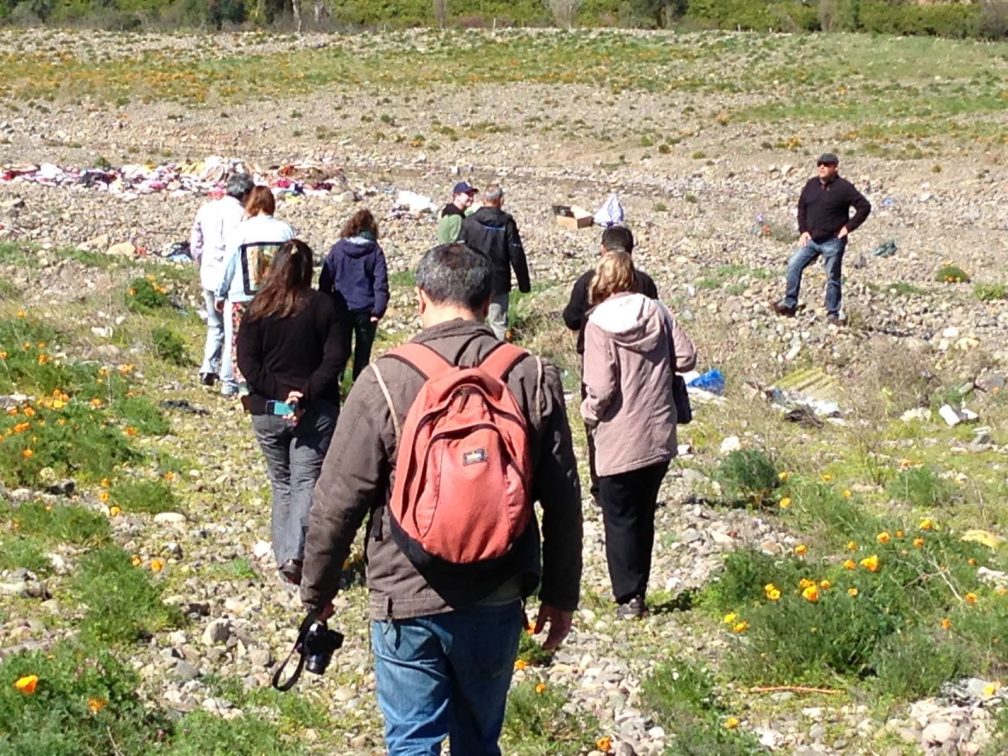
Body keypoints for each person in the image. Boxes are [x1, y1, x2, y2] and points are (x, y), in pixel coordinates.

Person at [300, 243, 582, 755]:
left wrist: (317, 593)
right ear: (489, 297)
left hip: (404, 592)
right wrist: (561, 598)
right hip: (496, 589)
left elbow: (336, 502)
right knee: (478, 740)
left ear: (421, 297)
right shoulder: (531, 374)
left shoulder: (385, 379)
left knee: (412, 742)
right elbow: (563, 502)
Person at [581, 251, 696, 620]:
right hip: (657, 429)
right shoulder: (656, 310)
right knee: (644, 514)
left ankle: (628, 596)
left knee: (618, 517)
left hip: (618, 433)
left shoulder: (597, 323)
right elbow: (687, 358)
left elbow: (601, 387)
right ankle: (640, 591)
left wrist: (588, 413)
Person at [237, 239, 347, 586]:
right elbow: (336, 359)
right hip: (315, 409)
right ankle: (294, 556)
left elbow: (247, 363)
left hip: (268, 409)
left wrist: (282, 395)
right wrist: (304, 394)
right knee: (305, 482)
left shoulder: (258, 308)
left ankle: (285, 557)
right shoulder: (325, 307)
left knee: (281, 483)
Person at [562, 225, 659, 504]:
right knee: (639, 415)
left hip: (596, 360)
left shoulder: (587, 282)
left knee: (597, 421)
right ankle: (638, 478)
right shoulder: (644, 282)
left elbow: (570, 319)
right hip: (642, 363)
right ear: (631, 250)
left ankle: (601, 486)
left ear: (603, 249)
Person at [771, 152, 871, 325]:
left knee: (832, 276)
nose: (822, 167)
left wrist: (847, 228)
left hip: (833, 241)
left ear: (835, 167)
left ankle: (833, 313)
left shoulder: (844, 187)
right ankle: (789, 303)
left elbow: (864, 207)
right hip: (812, 240)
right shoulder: (811, 184)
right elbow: (802, 206)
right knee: (794, 264)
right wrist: (803, 230)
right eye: (819, 164)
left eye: (826, 164)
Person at [216, 185, 295, 396]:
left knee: (238, 340)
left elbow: (229, 264)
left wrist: (220, 293)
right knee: (272, 339)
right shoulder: (285, 231)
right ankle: (269, 381)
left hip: (242, 295)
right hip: (275, 295)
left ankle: (240, 383)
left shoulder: (241, 231)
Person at [189, 172, 254, 388]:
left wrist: (202, 262)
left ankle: (208, 367)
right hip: (231, 281)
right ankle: (228, 381)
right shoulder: (243, 216)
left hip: (208, 274)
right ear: (245, 194)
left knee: (214, 326)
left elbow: (195, 244)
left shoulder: (207, 209)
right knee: (232, 331)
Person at [319, 209, 390, 381]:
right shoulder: (375, 251)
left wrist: (323, 303)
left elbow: (325, 279)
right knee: (363, 353)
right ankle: (359, 388)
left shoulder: (338, 248)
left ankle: (336, 384)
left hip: (340, 307)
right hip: (366, 309)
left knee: (340, 349)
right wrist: (378, 310)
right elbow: (380, 283)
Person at [460, 184, 530, 340]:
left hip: (473, 279)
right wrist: (524, 284)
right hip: (498, 281)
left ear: (484, 200)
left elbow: (460, 251)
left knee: (473, 321)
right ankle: (498, 358)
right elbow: (516, 253)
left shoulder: (469, 222)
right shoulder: (507, 223)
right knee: (498, 323)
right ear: (501, 201)